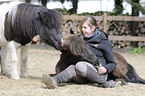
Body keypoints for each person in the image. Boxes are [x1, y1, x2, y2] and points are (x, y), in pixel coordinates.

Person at [42, 15, 122, 89]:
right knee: (72, 68)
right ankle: (54, 81)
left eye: (85, 28)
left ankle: (105, 83)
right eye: (81, 27)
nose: (82, 30)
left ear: (93, 28)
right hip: (83, 74)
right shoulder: (80, 40)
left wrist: (106, 69)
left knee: (80, 65)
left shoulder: (103, 42)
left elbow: (112, 63)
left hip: (99, 73)